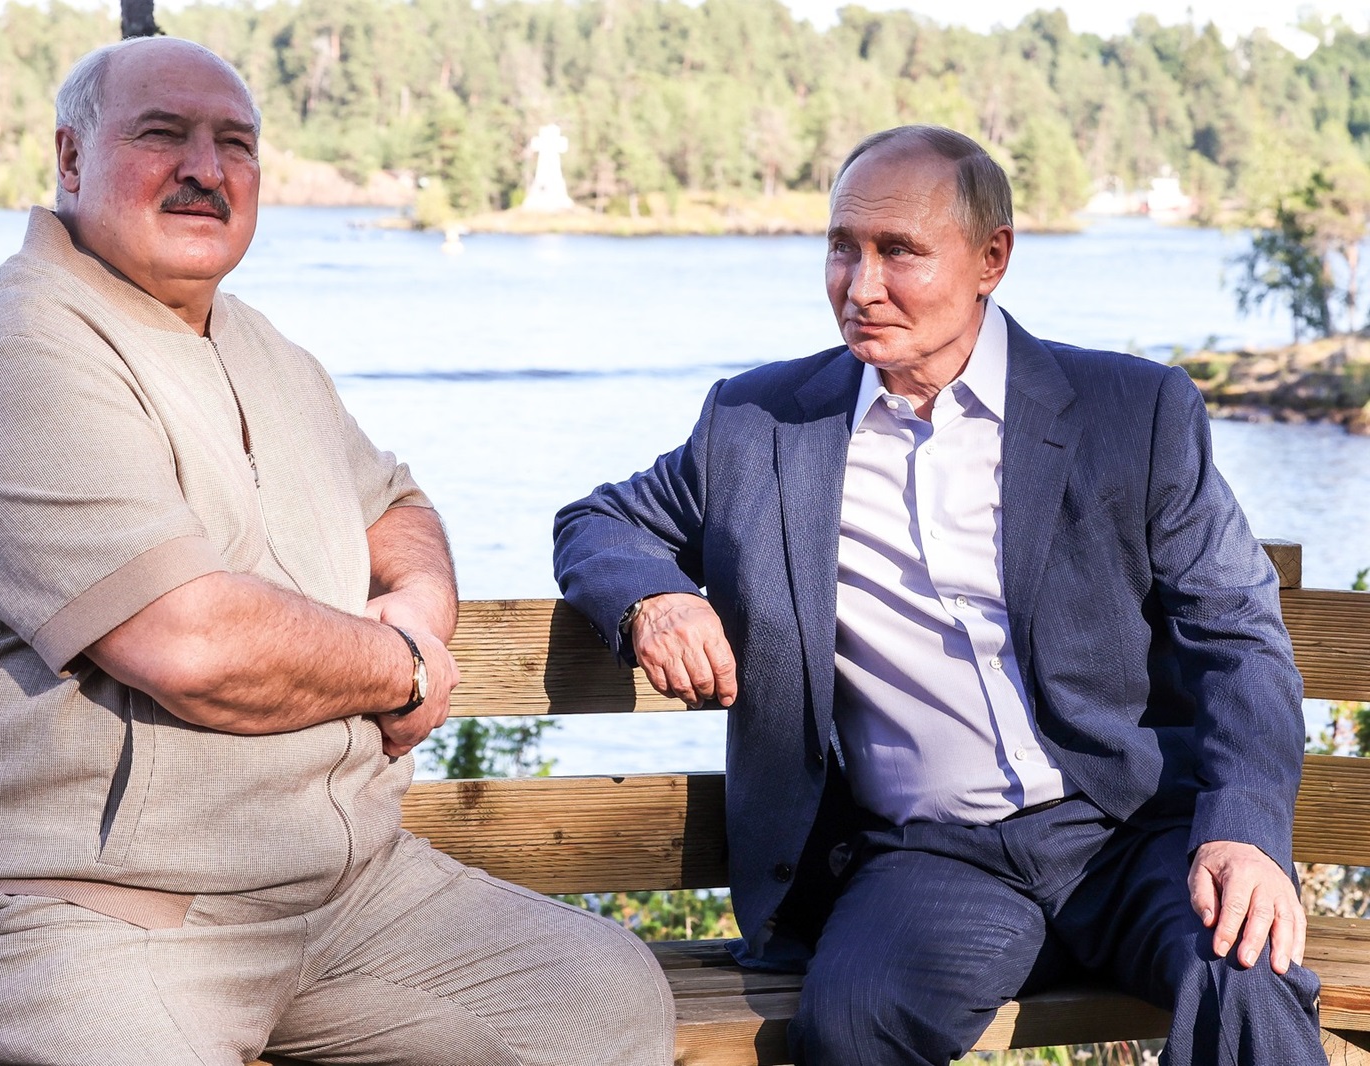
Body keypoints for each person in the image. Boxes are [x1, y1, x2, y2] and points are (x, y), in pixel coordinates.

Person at [0, 36, 673, 1066]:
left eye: (235, 142)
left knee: (599, 1000)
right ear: (70, 156)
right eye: (162, 135)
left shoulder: (265, 349)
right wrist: (402, 668)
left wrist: (413, 606)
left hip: (331, 895)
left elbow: (397, 503)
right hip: (47, 911)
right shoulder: (13, 352)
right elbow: (192, 646)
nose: (206, 168)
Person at [552, 124, 1325, 1066]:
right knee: (848, 1027)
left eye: (898, 252)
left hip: (1129, 832)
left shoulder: (1134, 412)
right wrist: (652, 603)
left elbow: (1238, 634)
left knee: (1248, 973)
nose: (860, 284)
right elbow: (597, 523)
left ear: (992, 258)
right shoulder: (761, 426)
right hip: (937, 859)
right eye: (842, 247)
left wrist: (1244, 832)